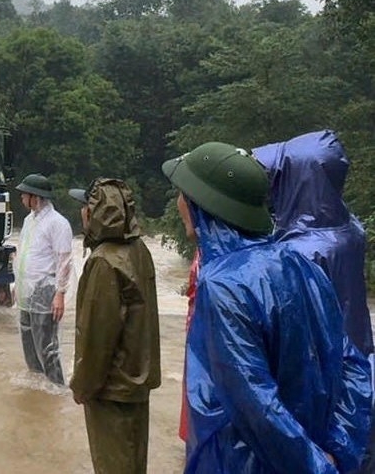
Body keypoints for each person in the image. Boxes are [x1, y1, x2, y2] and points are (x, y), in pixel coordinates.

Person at [165, 141, 371, 474]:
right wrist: (337, 452)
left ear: (200, 204)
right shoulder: (301, 265)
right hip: (314, 451)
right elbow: (353, 365)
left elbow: (253, 403)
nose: (178, 204)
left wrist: (315, 467)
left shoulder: (222, 284)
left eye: (181, 195)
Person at [68, 178, 160, 474]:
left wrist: (82, 386)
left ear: (95, 212)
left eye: (85, 206)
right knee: (134, 464)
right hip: (136, 384)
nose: (82, 212)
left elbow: (96, 337)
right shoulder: (140, 251)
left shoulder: (104, 262)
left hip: (111, 391)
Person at [12, 173, 73, 386]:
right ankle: (38, 388)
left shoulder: (58, 223)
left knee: (47, 347)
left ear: (35, 197)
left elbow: (64, 260)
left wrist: (60, 294)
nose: (21, 198)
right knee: (29, 343)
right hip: (26, 292)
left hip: (45, 291)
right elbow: (24, 254)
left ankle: (56, 388)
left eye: (24, 195)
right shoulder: (30, 221)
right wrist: (17, 285)